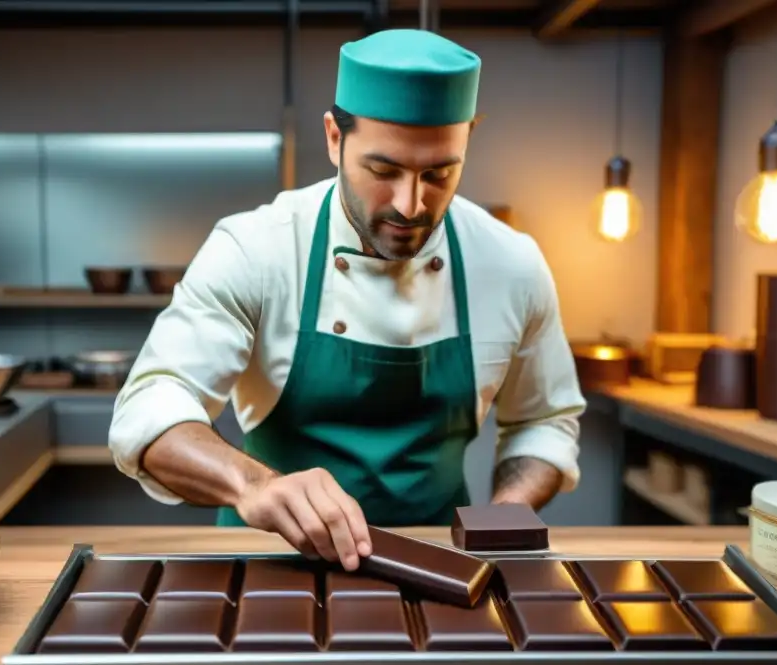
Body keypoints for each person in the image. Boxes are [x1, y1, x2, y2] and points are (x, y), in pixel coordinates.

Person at [109, 28, 586, 572]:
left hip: (442, 562)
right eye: (383, 171)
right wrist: (254, 484)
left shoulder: (511, 263)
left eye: (439, 173)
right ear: (335, 138)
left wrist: (503, 517)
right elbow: (148, 408)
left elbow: (544, 420)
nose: (410, 205)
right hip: (269, 559)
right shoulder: (256, 248)